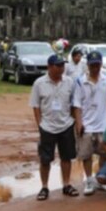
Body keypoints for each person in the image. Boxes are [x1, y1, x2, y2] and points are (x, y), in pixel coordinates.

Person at [30, 54, 78, 201]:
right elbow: (36, 106)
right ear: (49, 67)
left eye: (62, 65)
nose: (61, 68)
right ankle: (44, 187)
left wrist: (73, 121)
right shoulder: (39, 83)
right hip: (47, 126)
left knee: (66, 157)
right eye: (58, 66)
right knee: (45, 159)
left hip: (66, 125)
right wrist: (40, 125)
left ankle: (66, 184)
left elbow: (74, 104)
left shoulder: (70, 82)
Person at [72, 51, 106, 196]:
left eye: (97, 64)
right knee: (87, 155)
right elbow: (76, 104)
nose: (95, 68)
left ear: (101, 64)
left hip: (103, 123)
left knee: (105, 153)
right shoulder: (80, 81)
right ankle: (89, 180)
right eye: (92, 65)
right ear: (88, 65)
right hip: (87, 123)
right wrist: (79, 123)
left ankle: (101, 178)